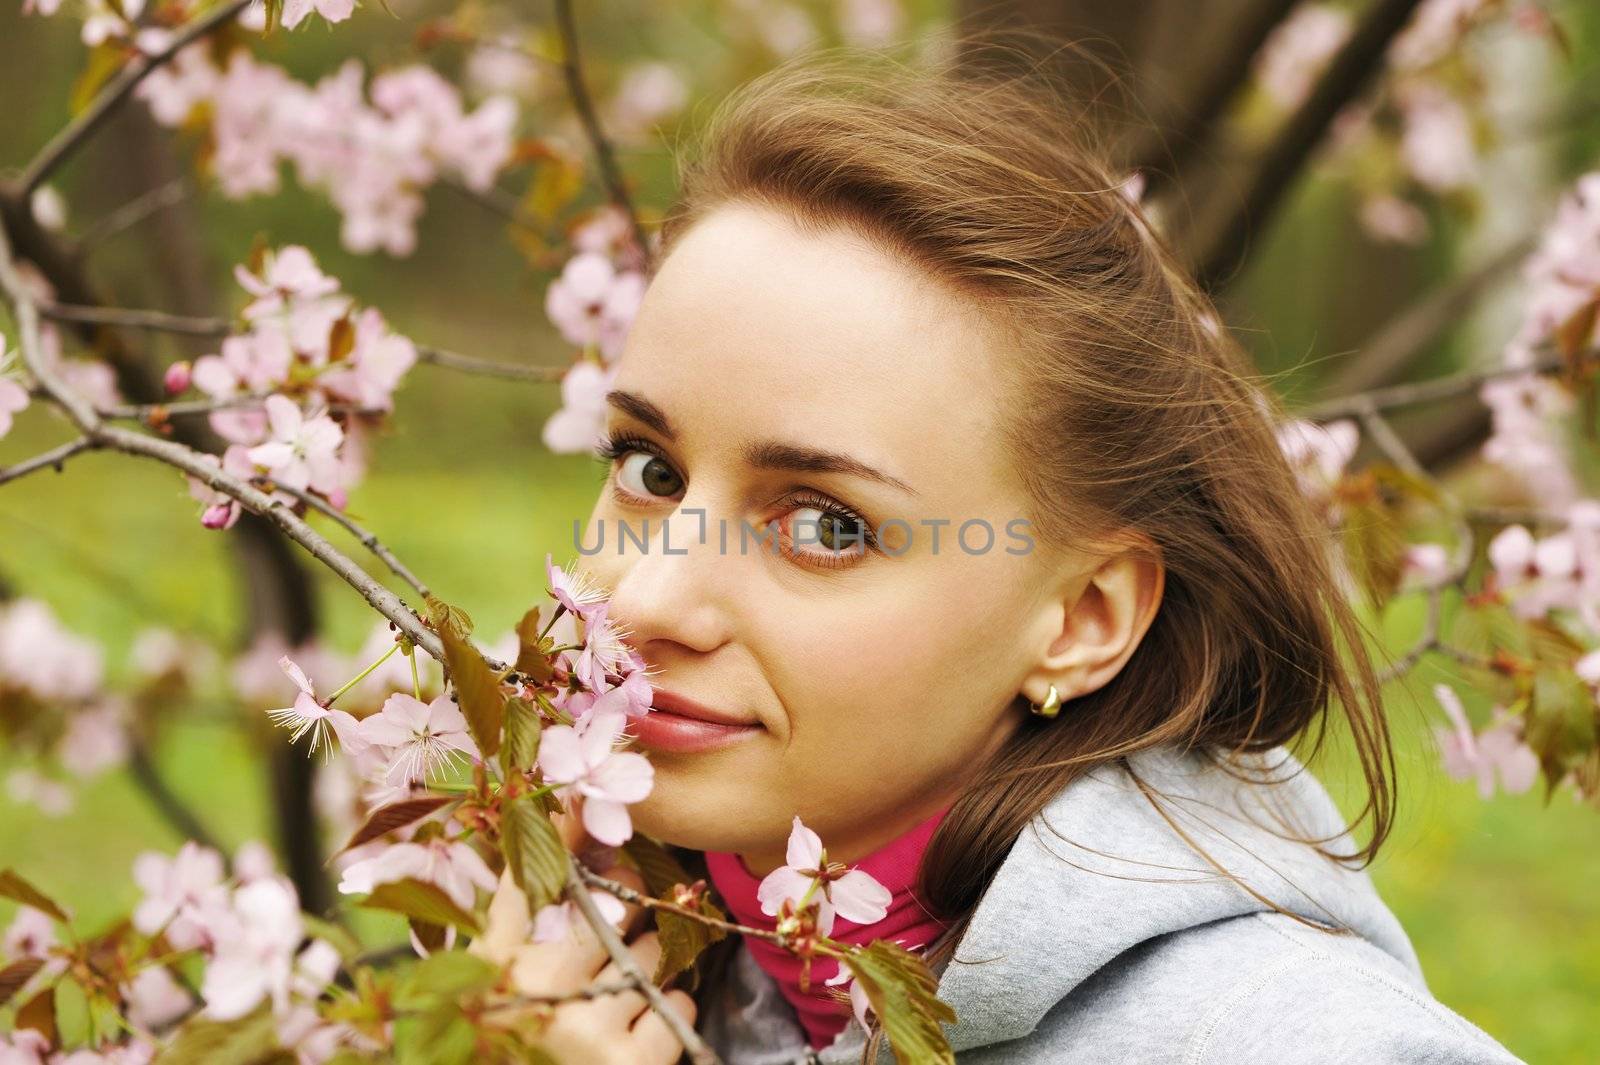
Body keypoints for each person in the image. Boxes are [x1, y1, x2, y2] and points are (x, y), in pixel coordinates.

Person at [501, 36, 1527, 1065]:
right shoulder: (604, 951)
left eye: (824, 526)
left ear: (1082, 620)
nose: (646, 596)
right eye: (649, 470)